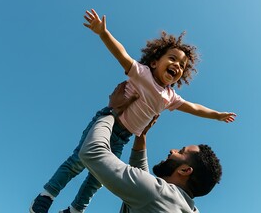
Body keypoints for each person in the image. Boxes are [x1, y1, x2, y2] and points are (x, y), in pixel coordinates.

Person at [30, 9, 235, 213]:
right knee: (78, 162)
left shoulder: (170, 96)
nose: (177, 66)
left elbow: (194, 108)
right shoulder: (142, 74)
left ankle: (75, 209)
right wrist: (103, 33)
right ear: (154, 62)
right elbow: (121, 54)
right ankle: (47, 195)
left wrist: (216, 115)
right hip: (109, 121)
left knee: (97, 179)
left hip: (123, 138)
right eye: (172, 59)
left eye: (182, 66)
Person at [78, 81, 223, 212]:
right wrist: (142, 135)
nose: (172, 150)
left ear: (185, 170)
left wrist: (112, 111)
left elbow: (91, 152)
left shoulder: (156, 195)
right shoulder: (189, 209)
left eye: (180, 152)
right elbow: (143, 180)